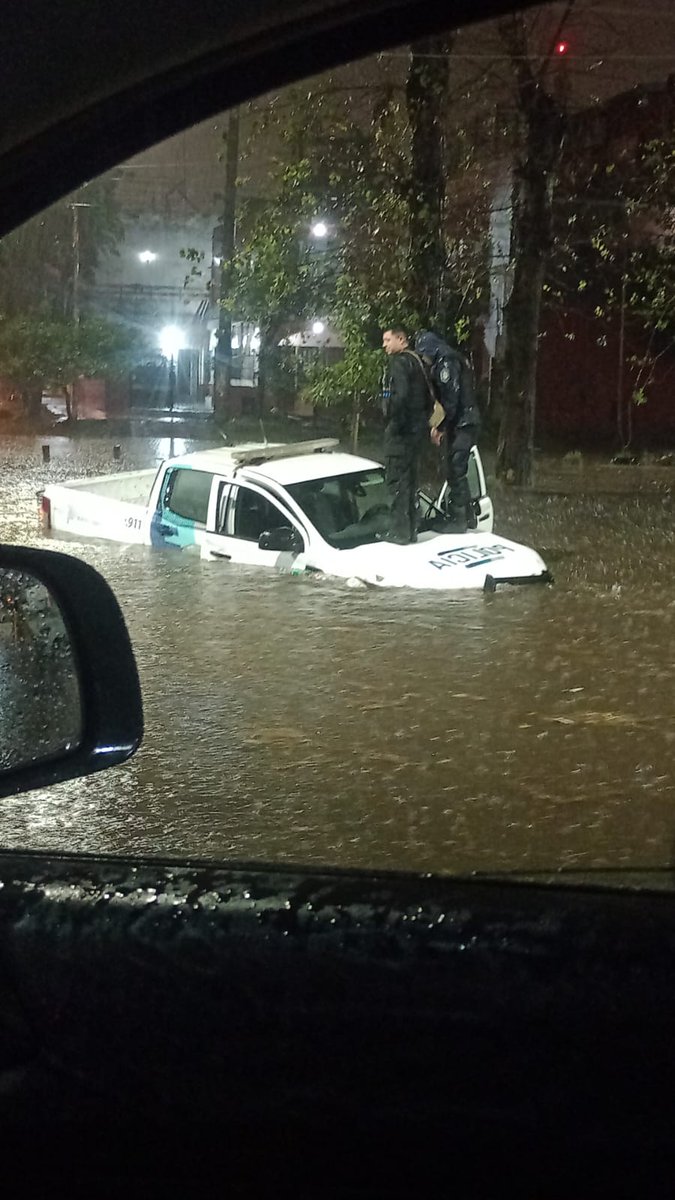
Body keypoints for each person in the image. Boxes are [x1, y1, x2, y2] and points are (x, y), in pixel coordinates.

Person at [415, 330, 481, 533]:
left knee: (455, 469)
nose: (423, 359)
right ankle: (467, 516)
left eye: (423, 354)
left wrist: (440, 427)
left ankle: (458, 518)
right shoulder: (449, 358)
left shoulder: (446, 361)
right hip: (463, 421)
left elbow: (450, 399)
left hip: (463, 422)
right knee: (456, 468)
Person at [381, 325, 435, 544]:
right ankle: (411, 529)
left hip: (401, 434)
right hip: (416, 433)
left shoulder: (400, 363)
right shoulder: (419, 362)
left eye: (387, 340)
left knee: (397, 483)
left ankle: (398, 533)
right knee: (412, 482)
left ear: (401, 340)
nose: (384, 344)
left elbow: (400, 397)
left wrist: (390, 415)